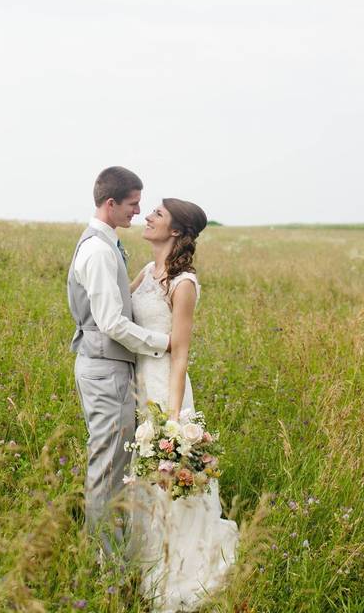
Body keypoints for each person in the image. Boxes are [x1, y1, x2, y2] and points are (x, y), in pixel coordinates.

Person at [126, 198, 238, 612]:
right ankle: (140, 559)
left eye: (157, 214)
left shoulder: (183, 283)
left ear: (174, 230)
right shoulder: (145, 272)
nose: (148, 217)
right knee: (138, 478)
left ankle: (175, 566)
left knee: (165, 477)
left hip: (164, 388)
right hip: (136, 382)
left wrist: (173, 423)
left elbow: (180, 354)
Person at [67, 167, 171, 557]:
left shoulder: (105, 244)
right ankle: (105, 565)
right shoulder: (96, 250)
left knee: (114, 464)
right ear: (110, 204)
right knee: (108, 469)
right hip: (104, 368)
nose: (138, 212)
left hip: (108, 366)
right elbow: (110, 322)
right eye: (132, 204)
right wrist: (163, 342)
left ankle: (109, 553)